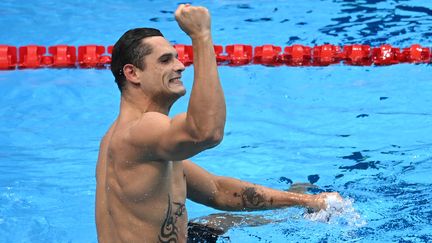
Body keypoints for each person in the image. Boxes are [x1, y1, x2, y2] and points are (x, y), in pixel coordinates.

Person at [95, 4, 342, 243]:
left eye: (177, 58)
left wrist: (304, 202)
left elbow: (218, 190)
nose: (180, 66)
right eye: (165, 60)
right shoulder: (142, 130)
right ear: (132, 73)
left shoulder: (132, 136)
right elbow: (206, 132)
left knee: (222, 220)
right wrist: (201, 36)